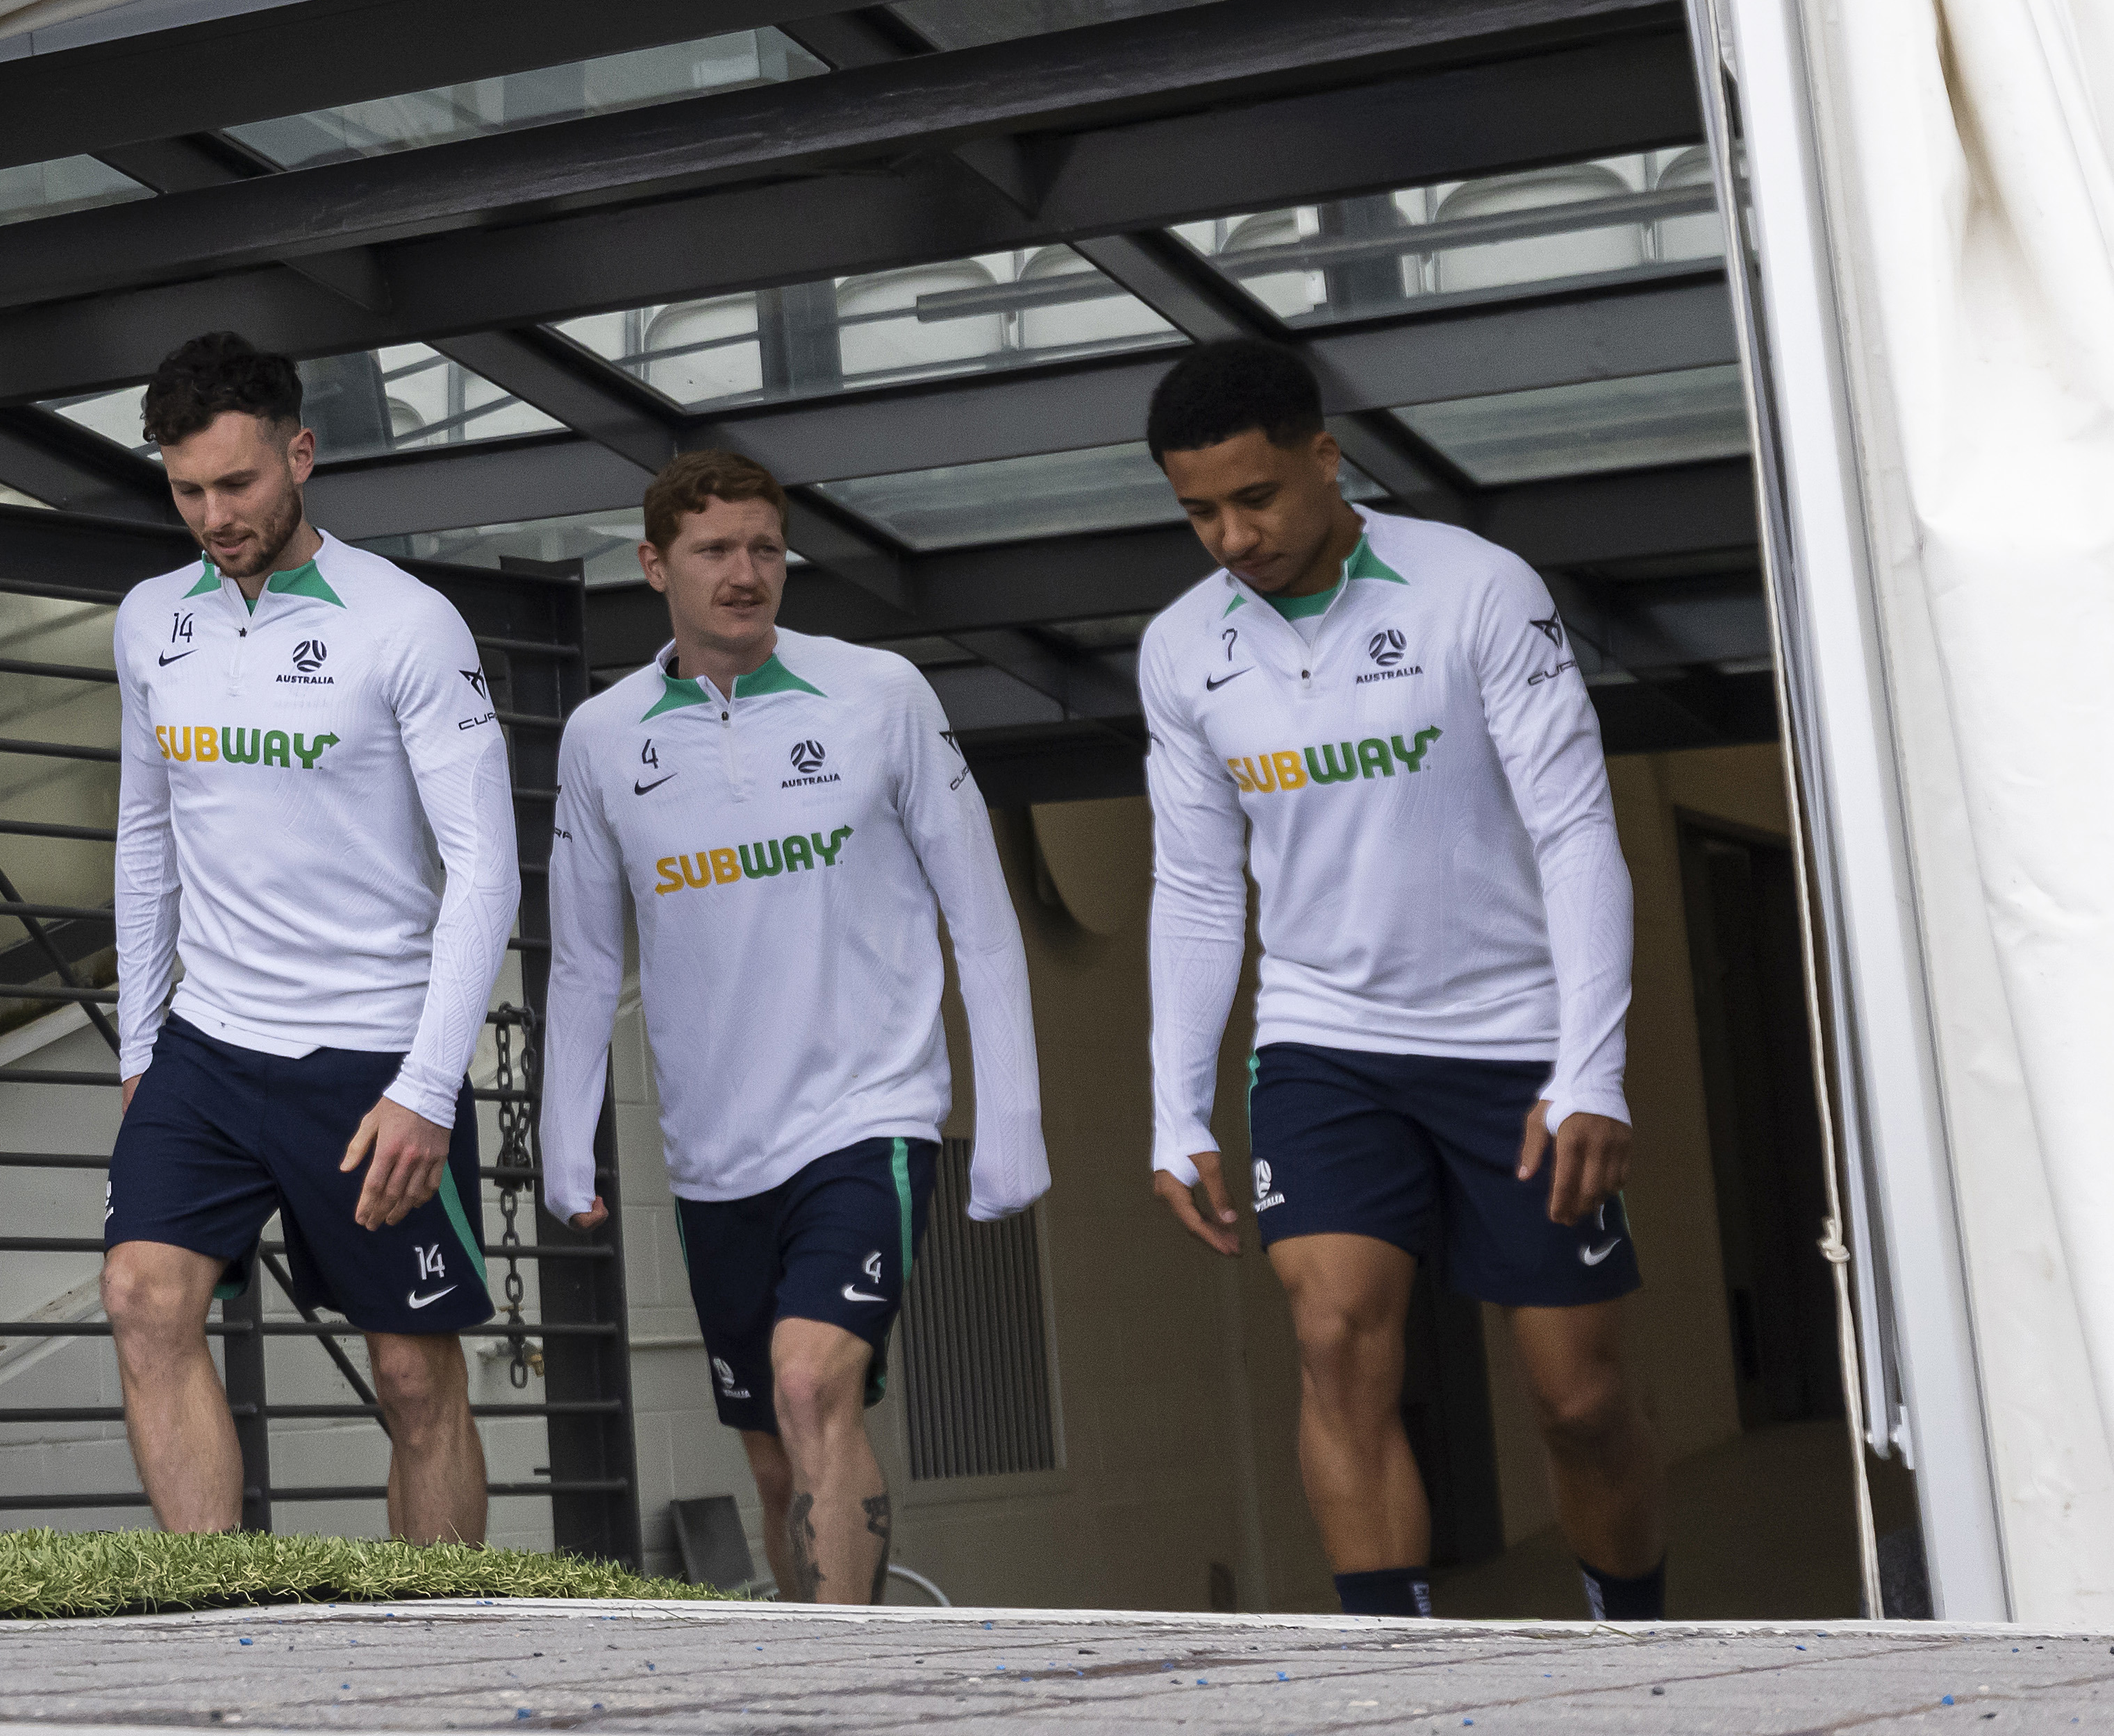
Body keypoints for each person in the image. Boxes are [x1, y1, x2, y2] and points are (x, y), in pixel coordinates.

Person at [1139, 336, 1664, 1620]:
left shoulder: (1476, 588)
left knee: (1578, 1396)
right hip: (1324, 1040)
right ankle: (1394, 1670)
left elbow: (1575, 830)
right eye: (1200, 512)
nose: (1232, 537)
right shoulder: (1179, 648)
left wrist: (1591, 1067)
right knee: (1333, 1341)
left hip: (1516, 1038)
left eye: (1256, 497)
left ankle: (1633, 1646)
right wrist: (1175, 1104)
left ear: (1326, 457)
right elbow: (1199, 887)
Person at [542, 451, 1047, 1603]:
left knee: (813, 1383)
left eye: (766, 547)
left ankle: (849, 1679)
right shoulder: (601, 737)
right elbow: (583, 959)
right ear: (654, 564)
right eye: (715, 550)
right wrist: (565, 1138)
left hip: (868, 1118)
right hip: (715, 1156)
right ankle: (821, 1658)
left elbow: (982, 917)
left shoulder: (882, 694)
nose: (746, 572)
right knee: (774, 1459)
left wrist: (1012, 1120)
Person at [99, 331, 522, 1544]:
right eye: (187, 490)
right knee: (143, 1297)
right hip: (209, 1044)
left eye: (237, 483)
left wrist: (428, 1086)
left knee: (411, 1376)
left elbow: (486, 866)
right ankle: (214, 1613)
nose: (215, 516)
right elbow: (144, 836)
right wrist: (140, 1047)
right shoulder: (150, 620)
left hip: (374, 1057)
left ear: (301, 453)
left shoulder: (410, 624)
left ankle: (439, 1648)